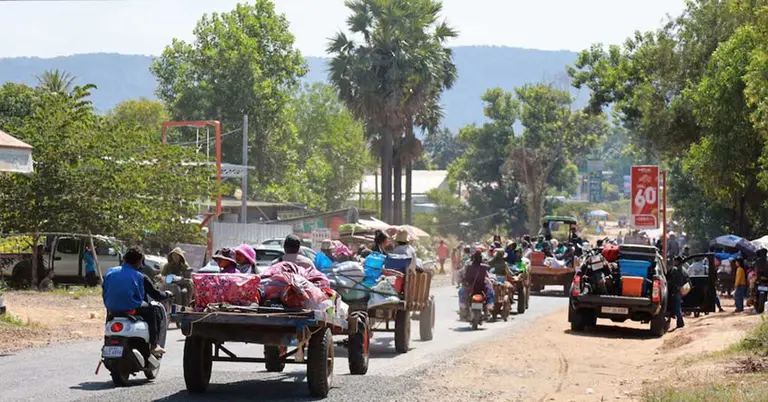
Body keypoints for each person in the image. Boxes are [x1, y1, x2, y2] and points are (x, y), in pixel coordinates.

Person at [102, 247, 171, 355]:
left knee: (109, 314)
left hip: (112, 308)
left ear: (124, 259)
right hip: (131, 307)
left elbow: (105, 290)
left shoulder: (110, 272)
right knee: (152, 310)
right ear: (139, 262)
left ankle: (106, 341)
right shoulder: (140, 276)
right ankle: (154, 345)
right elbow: (156, 295)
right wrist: (167, 294)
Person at [667, 256, 687, 329]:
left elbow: (670, 279)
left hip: (675, 290)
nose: (674, 262)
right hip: (681, 290)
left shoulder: (674, 269)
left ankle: (680, 322)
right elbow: (687, 279)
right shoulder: (684, 269)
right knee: (677, 306)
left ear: (677, 261)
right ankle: (679, 322)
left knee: (677, 307)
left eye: (675, 261)